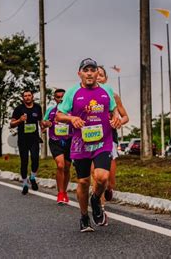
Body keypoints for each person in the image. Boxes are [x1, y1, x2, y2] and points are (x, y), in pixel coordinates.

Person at [56, 58, 122, 232]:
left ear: (96, 73)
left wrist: (115, 117)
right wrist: (72, 118)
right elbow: (59, 116)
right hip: (81, 143)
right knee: (84, 181)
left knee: (102, 177)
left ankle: (96, 199)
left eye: (93, 70)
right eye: (86, 70)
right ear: (80, 74)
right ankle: (84, 217)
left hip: (103, 141)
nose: (90, 73)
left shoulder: (106, 90)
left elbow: (113, 110)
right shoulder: (72, 92)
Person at [96, 66, 129, 206]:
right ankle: (100, 208)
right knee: (97, 176)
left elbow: (125, 116)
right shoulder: (84, 96)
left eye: (101, 75)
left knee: (109, 181)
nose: (98, 77)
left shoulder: (114, 96)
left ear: (106, 79)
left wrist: (118, 122)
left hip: (110, 138)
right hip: (92, 139)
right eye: (96, 74)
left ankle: (109, 189)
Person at [41, 89, 72, 204]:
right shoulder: (51, 110)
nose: (60, 99)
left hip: (69, 140)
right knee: (60, 165)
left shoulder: (71, 110)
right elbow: (43, 123)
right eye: (57, 97)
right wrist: (45, 124)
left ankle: (64, 191)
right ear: (55, 98)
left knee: (67, 167)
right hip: (55, 141)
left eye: (62, 97)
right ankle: (60, 193)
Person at [10, 90, 43, 195]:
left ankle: (32, 177)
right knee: (24, 161)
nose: (27, 97)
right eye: (25, 96)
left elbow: (41, 122)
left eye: (29, 95)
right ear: (23, 98)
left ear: (32, 97)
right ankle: (24, 184)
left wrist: (44, 127)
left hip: (34, 139)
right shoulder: (19, 109)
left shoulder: (37, 107)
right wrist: (20, 120)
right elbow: (12, 124)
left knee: (35, 159)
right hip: (23, 139)